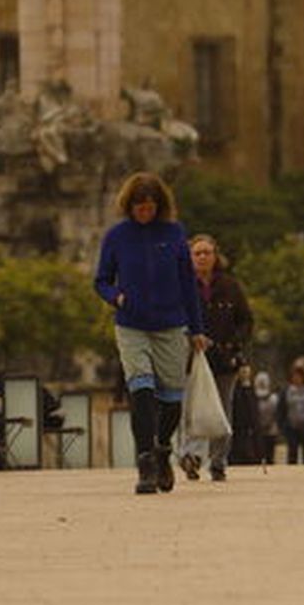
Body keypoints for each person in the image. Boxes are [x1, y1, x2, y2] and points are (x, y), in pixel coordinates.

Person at [93, 172, 208, 495]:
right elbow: (100, 280)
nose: (145, 213)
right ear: (129, 206)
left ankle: (161, 451)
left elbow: (188, 284)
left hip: (171, 326)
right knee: (141, 392)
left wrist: (197, 329)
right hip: (131, 325)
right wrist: (115, 296)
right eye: (139, 208)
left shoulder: (174, 233)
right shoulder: (117, 236)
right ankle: (144, 464)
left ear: (160, 206)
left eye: (150, 207)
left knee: (171, 399)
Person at [176, 234, 253, 483]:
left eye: (206, 252)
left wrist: (235, 344)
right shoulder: (181, 286)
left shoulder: (230, 286)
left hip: (224, 357)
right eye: (197, 253)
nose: (202, 257)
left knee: (221, 409)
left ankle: (218, 461)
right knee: (191, 408)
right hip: (192, 358)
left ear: (215, 256)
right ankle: (191, 455)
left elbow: (246, 320)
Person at [253, 370, 280, 465]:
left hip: (271, 431)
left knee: (270, 455)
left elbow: (276, 415)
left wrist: (268, 425)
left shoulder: (274, 399)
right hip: (257, 431)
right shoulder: (253, 399)